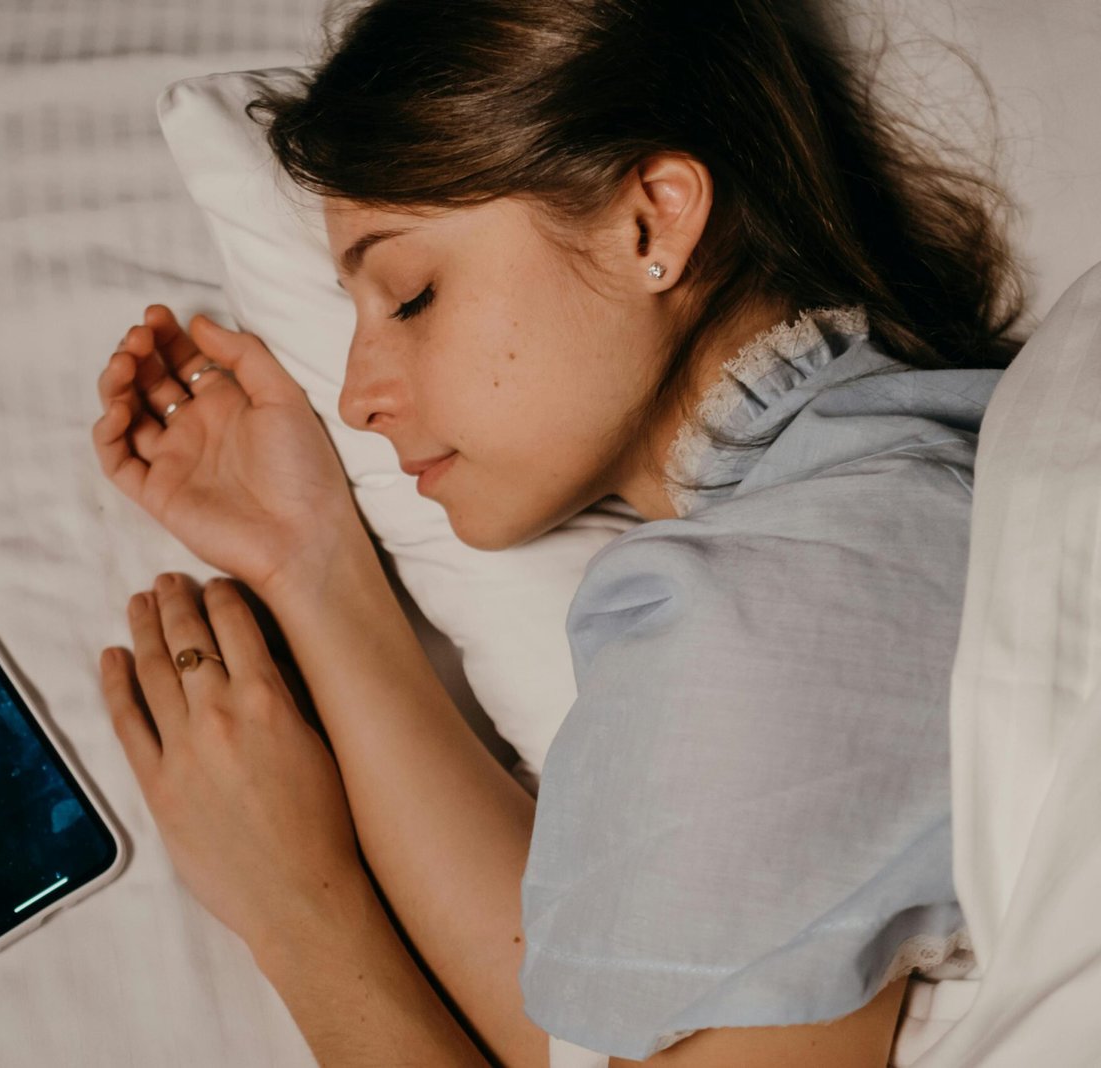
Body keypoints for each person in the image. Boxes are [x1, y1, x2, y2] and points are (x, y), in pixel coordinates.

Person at [90, 0, 1026, 1064]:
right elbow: (587, 1033)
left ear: (650, 223)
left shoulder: (790, 597)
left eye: (411, 295)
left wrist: (299, 912)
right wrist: (311, 564)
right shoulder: (869, 506)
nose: (355, 397)